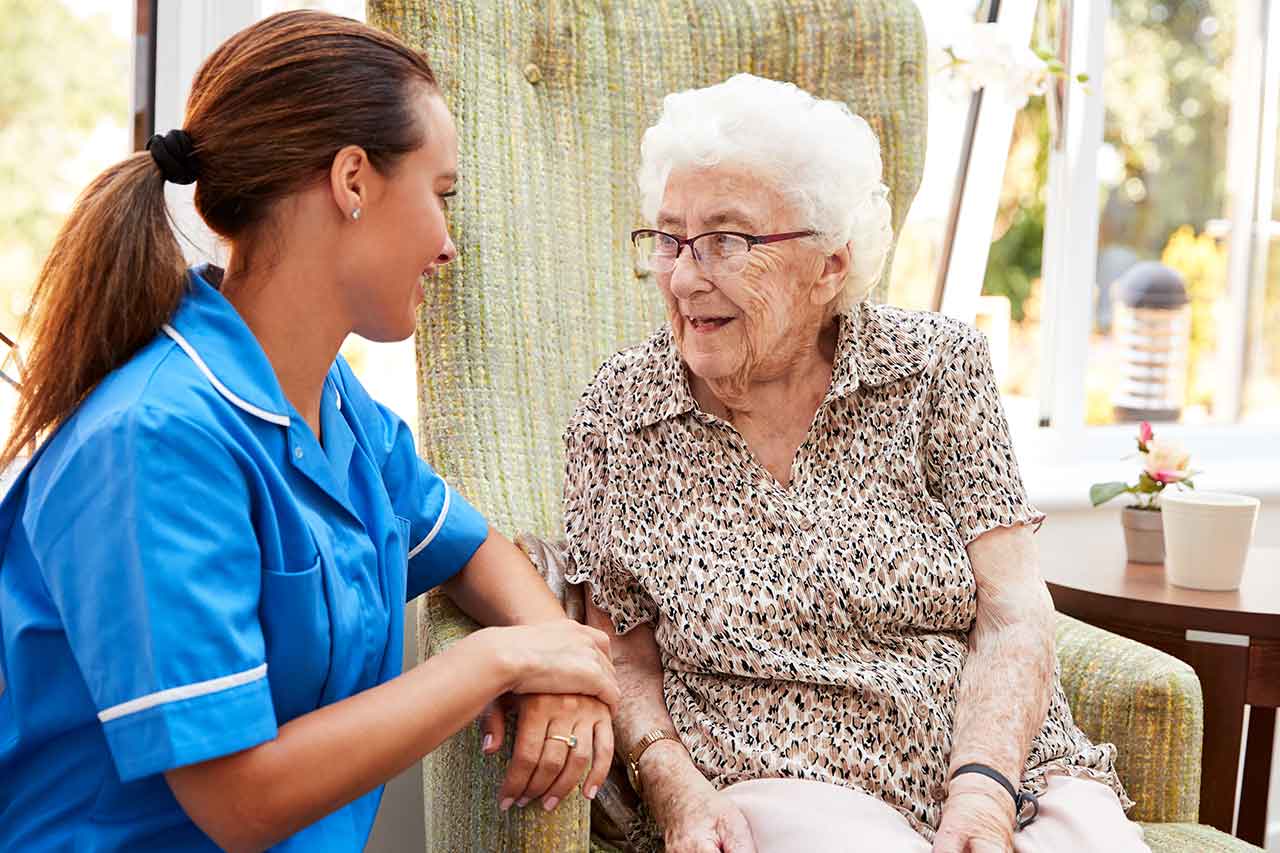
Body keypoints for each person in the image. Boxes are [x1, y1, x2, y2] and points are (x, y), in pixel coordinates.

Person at [0, 11, 617, 851]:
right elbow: (240, 800)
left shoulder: (333, 405)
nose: (447, 244)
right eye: (441, 196)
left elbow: (472, 549)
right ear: (352, 181)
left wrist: (560, 667)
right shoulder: (156, 439)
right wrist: (497, 663)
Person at [563, 74, 1150, 853]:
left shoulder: (937, 369)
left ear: (830, 265)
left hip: (1005, 775)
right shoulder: (620, 413)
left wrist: (981, 792)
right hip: (781, 784)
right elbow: (624, 657)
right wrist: (675, 786)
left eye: (727, 240)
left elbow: (1013, 608)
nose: (684, 274)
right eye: (668, 238)